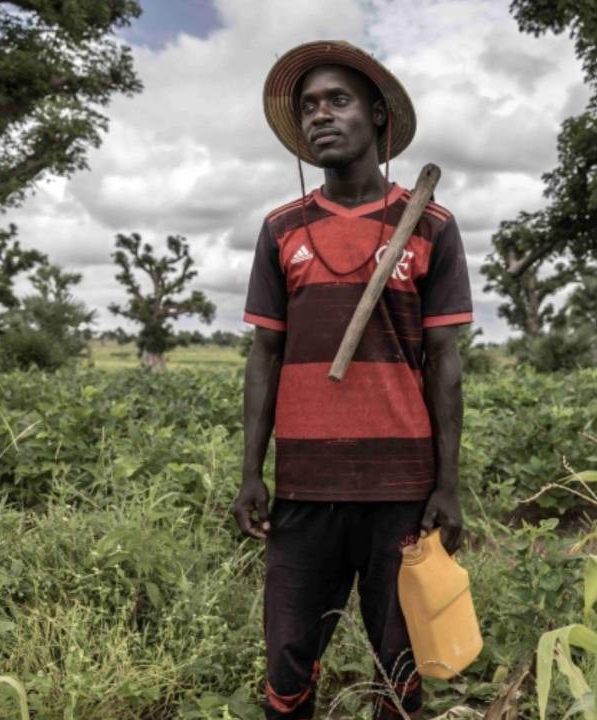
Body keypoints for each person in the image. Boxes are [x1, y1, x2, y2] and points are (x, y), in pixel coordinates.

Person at [233, 40, 473, 720]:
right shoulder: (281, 229)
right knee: (287, 658)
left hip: (400, 487)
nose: (320, 116)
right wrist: (253, 472)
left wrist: (447, 486)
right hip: (304, 486)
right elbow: (264, 355)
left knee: (400, 661)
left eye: (338, 100)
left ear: (376, 117)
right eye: (309, 106)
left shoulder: (430, 224)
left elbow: (446, 361)